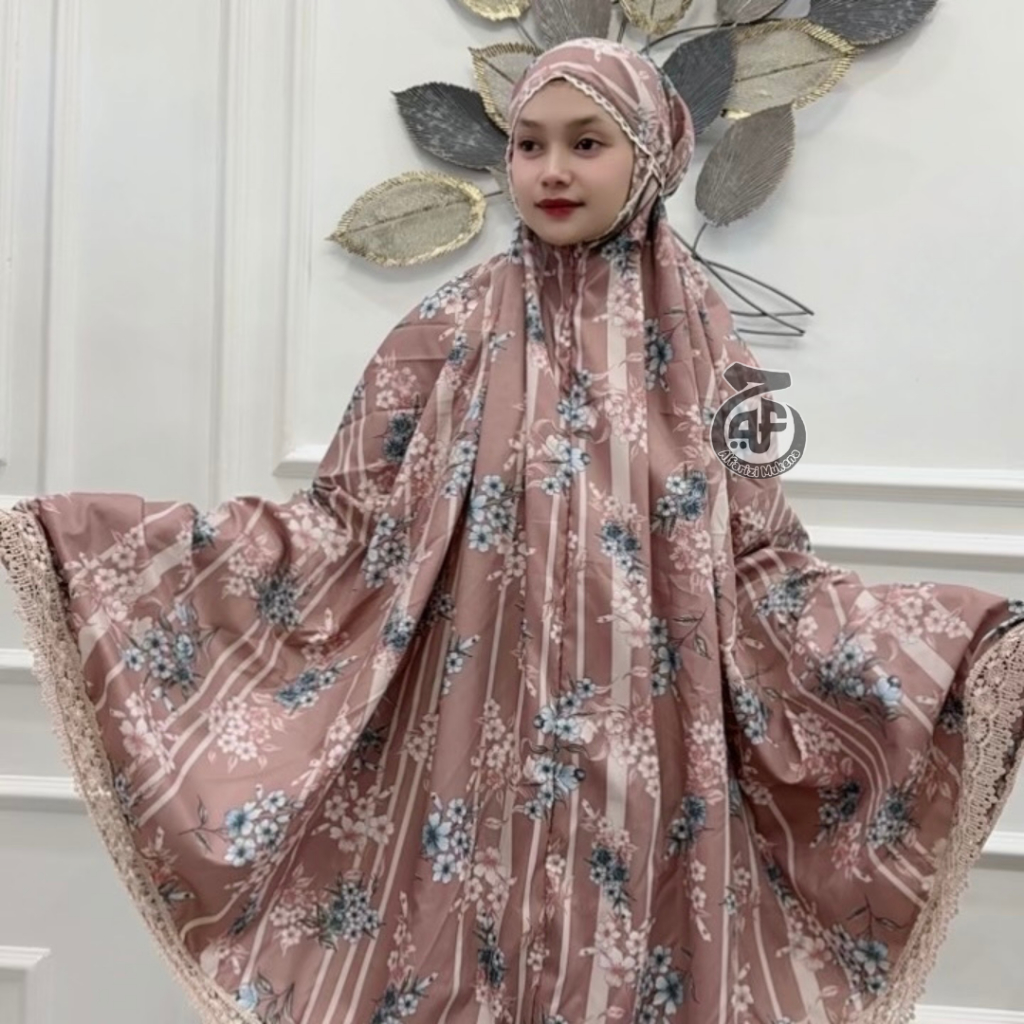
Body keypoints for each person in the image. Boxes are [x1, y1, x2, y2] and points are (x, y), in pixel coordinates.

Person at [1, 37, 1022, 1024]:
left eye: (587, 142)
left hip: (651, 771)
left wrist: (961, 643)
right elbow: (344, 532)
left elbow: (763, 560)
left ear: (650, 155)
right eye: (530, 143)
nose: (551, 170)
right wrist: (88, 542)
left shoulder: (716, 349)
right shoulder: (442, 330)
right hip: (468, 771)